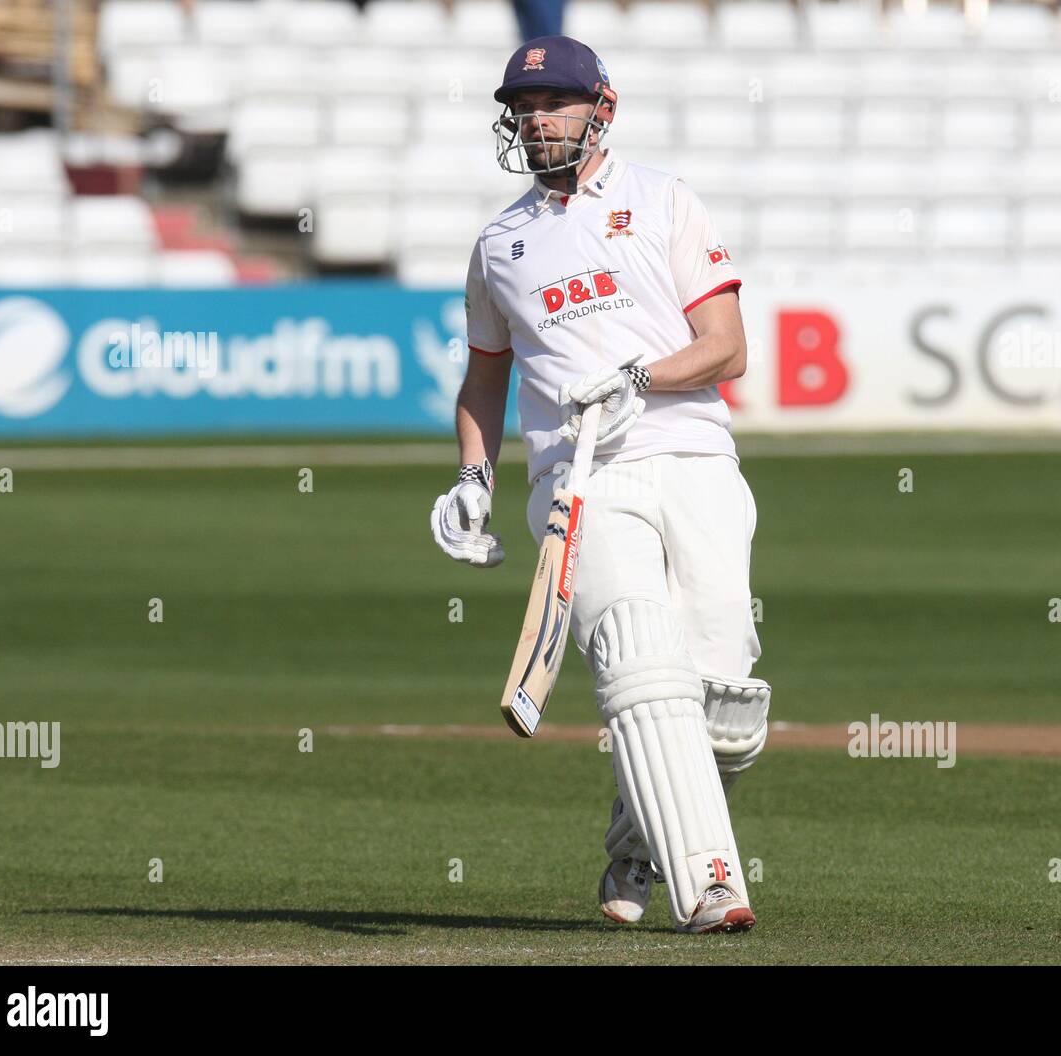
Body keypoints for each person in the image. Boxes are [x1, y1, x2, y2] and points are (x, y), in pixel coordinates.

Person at [430, 35, 770, 934]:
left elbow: (727, 346)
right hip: (577, 476)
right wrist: (474, 480)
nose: (535, 120)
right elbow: (484, 376)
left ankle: (634, 842)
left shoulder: (664, 200)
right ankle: (712, 889)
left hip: (693, 456)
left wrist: (637, 379)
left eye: (554, 104)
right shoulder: (499, 244)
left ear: (602, 107)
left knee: (724, 699)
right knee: (638, 660)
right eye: (522, 107)